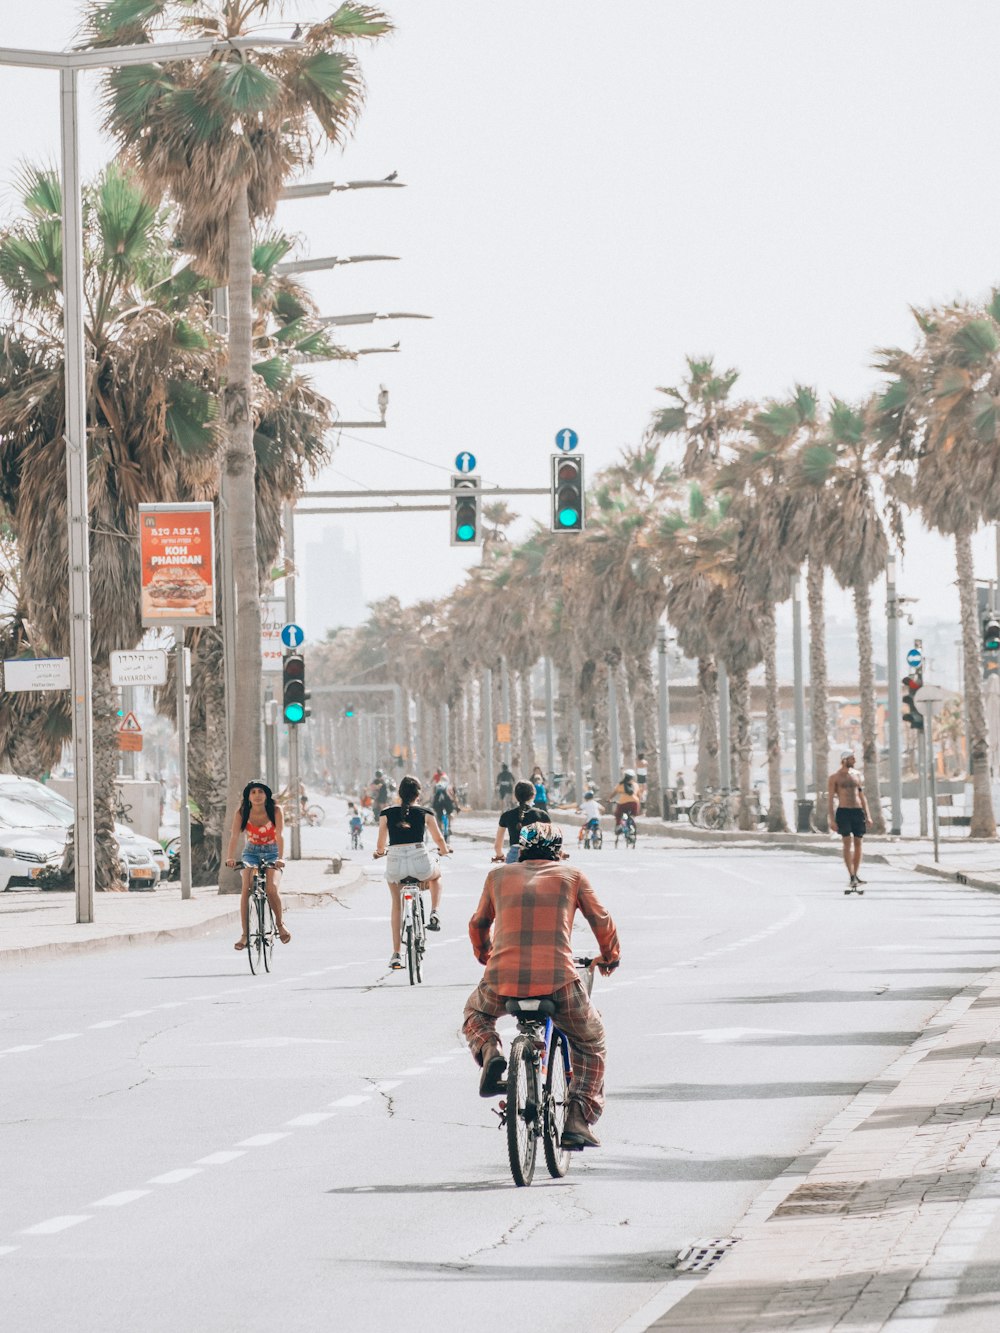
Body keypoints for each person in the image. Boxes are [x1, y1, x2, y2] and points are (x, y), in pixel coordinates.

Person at [464, 822, 620, 1149]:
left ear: (520, 848)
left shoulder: (497, 877)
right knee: (592, 1041)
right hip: (559, 982)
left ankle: (491, 1050)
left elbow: (479, 923)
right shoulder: (572, 876)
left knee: (475, 1013)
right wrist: (609, 956)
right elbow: (600, 920)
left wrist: (485, 955)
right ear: (558, 851)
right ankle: (577, 1117)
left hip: (502, 979)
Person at [373, 774, 451, 969]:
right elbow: (439, 840)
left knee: (396, 904)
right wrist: (444, 851)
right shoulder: (426, 812)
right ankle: (434, 912)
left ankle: (397, 954)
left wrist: (380, 852)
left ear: (399, 794)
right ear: (418, 794)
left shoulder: (386, 813)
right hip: (420, 862)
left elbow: (381, 844)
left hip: (395, 863)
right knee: (437, 874)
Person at [225, 780, 291, 949]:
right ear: (248, 796)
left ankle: (280, 925)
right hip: (251, 852)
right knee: (246, 888)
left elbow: (280, 835)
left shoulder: (275, 810)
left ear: (266, 794)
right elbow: (234, 836)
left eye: (260, 792)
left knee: (271, 888)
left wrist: (281, 858)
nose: (257, 795)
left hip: (273, 852)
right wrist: (230, 857)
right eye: (253, 792)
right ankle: (245, 935)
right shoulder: (242, 812)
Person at [828, 751, 871, 893]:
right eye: (852, 758)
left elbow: (862, 796)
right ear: (844, 760)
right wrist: (832, 819)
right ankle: (851, 874)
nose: (854, 760)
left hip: (857, 811)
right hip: (844, 811)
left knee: (859, 843)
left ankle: (856, 874)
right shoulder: (835, 778)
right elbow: (830, 800)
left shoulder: (857, 775)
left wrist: (868, 815)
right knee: (847, 843)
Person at [492, 779, 551, 863]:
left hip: (514, 858)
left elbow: (497, 847)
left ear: (515, 796)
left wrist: (500, 856)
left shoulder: (506, 816)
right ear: (533, 795)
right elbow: (551, 840)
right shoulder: (542, 815)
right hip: (536, 857)